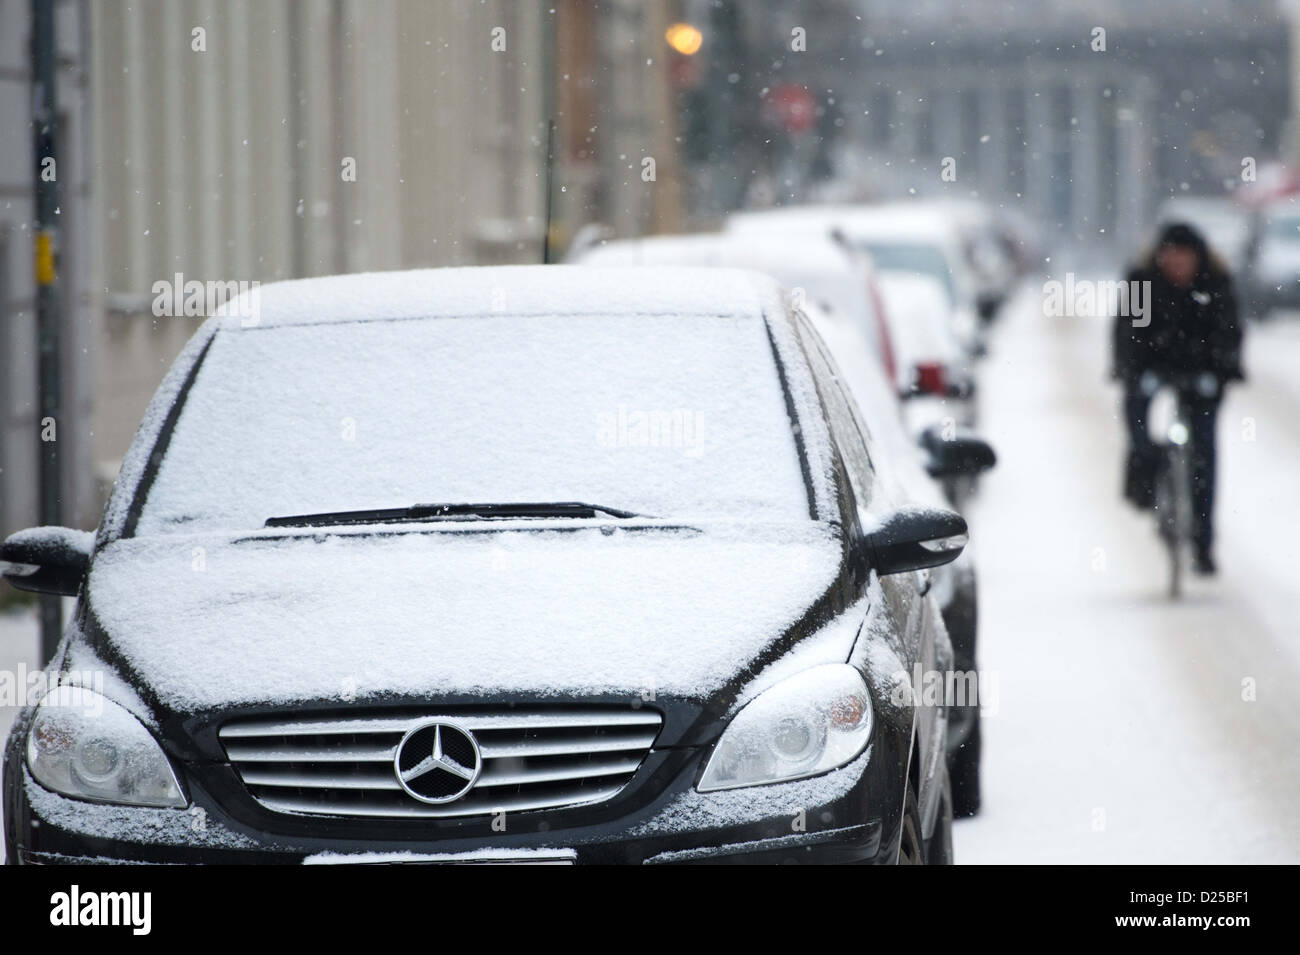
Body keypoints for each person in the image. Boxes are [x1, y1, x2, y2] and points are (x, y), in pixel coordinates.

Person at [1113, 221, 1244, 575]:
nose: (1177, 264)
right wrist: (1134, 373)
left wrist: (1219, 372)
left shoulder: (1216, 285)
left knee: (1204, 451)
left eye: (1184, 257)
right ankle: (1146, 483)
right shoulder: (1142, 283)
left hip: (1200, 374)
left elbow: (1229, 334)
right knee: (1137, 420)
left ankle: (1203, 544)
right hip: (1153, 368)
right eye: (1171, 256)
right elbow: (1128, 334)